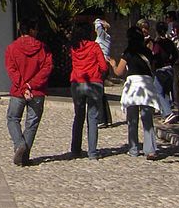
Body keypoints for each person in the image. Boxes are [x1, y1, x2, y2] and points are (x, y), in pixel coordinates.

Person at [5, 19, 53, 166]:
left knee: (13, 118)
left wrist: (23, 86)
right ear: (32, 30)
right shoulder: (43, 49)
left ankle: (20, 144)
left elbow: (11, 70)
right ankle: (24, 156)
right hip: (37, 92)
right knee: (32, 123)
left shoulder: (12, 48)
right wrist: (31, 85)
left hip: (18, 92)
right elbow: (47, 69)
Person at [111, 26, 164, 160]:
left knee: (132, 120)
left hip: (132, 88)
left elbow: (119, 72)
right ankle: (150, 150)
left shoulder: (128, 53)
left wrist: (113, 64)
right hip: (146, 86)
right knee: (147, 120)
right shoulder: (147, 52)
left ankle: (133, 149)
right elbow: (152, 68)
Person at [70, 21, 108, 160]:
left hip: (77, 83)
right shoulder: (94, 47)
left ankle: (75, 149)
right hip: (94, 82)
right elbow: (103, 66)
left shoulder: (74, 48)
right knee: (92, 118)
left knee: (78, 116)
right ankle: (92, 152)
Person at [93, 14, 114, 125]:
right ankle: (106, 118)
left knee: (97, 91)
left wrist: (100, 21)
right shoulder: (107, 38)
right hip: (105, 64)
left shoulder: (102, 36)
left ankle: (101, 118)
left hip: (101, 65)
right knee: (101, 92)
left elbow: (97, 22)